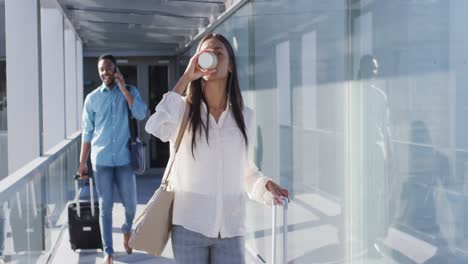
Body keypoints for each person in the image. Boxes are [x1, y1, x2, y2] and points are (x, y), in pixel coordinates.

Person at [145, 33, 289, 264]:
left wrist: (266, 185)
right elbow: (156, 127)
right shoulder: (183, 110)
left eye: (218, 53)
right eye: (205, 53)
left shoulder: (245, 117)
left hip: (232, 229)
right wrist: (186, 77)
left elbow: (245, 172)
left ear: (230, 65)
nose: (211, 57)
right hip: (188, 226)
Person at [78, 54, 147, 264]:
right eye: (101, 69)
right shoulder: (92, 99)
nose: (104, 72)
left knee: (131, 204)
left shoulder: (131, 91)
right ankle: (108, 250)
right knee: (105, 206)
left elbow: (141, 113)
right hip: (102, 161)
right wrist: (82, 162)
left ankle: (127, 229)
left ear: (115, 69)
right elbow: (87, 133)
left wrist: (124, 89)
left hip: (125, 159)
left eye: (108, 68)